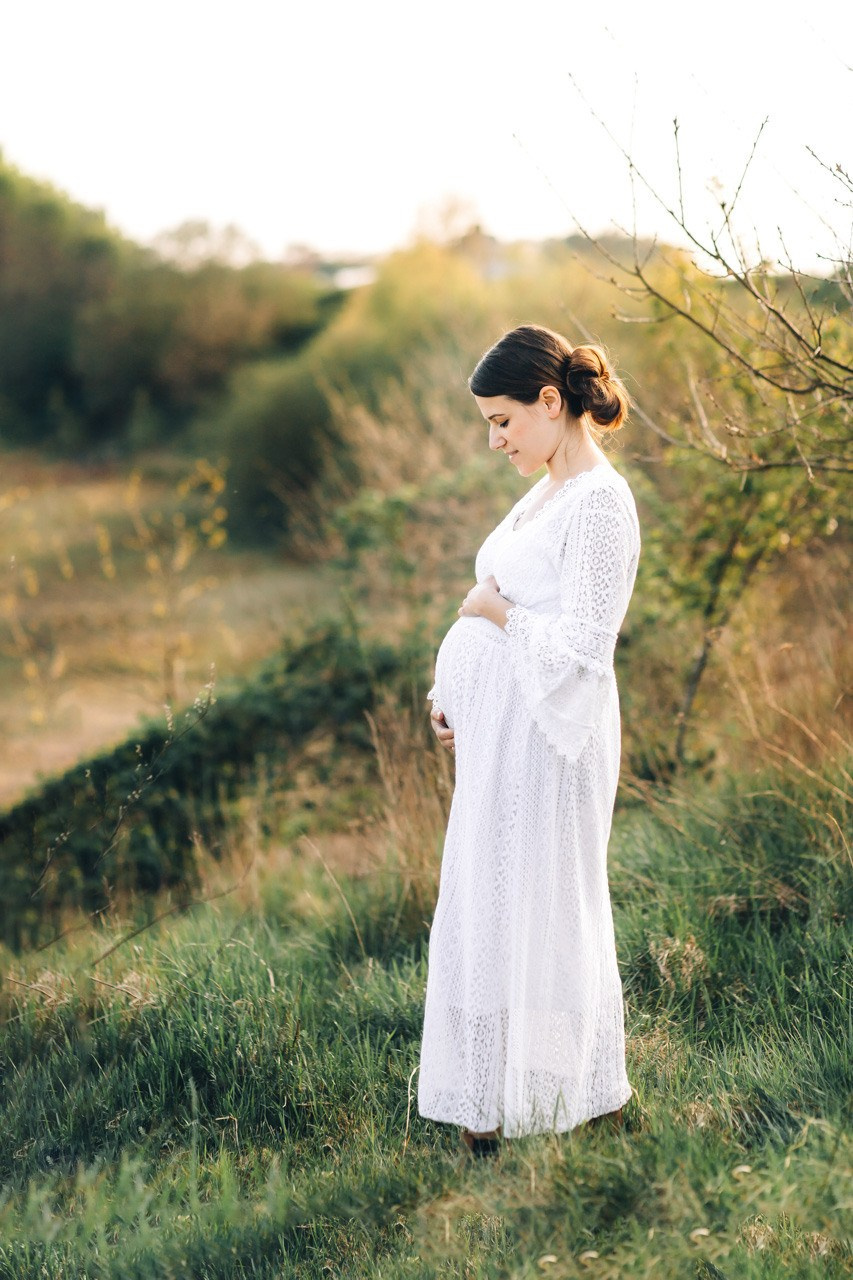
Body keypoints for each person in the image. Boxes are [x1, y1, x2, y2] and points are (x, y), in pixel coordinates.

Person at [417, 323, 642, 1156]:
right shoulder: (546, 490)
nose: (493, 439)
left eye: (503, 420)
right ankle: (491, 1100)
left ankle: (573, 1094)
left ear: (552, 403)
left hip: (555, 745)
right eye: (487, 423)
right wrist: (454, 693)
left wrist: (492, 615)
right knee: (486, 902)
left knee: (543, 909)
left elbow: (583, 644)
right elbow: (508, 597)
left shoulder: (599, 505)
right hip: (500, 745)